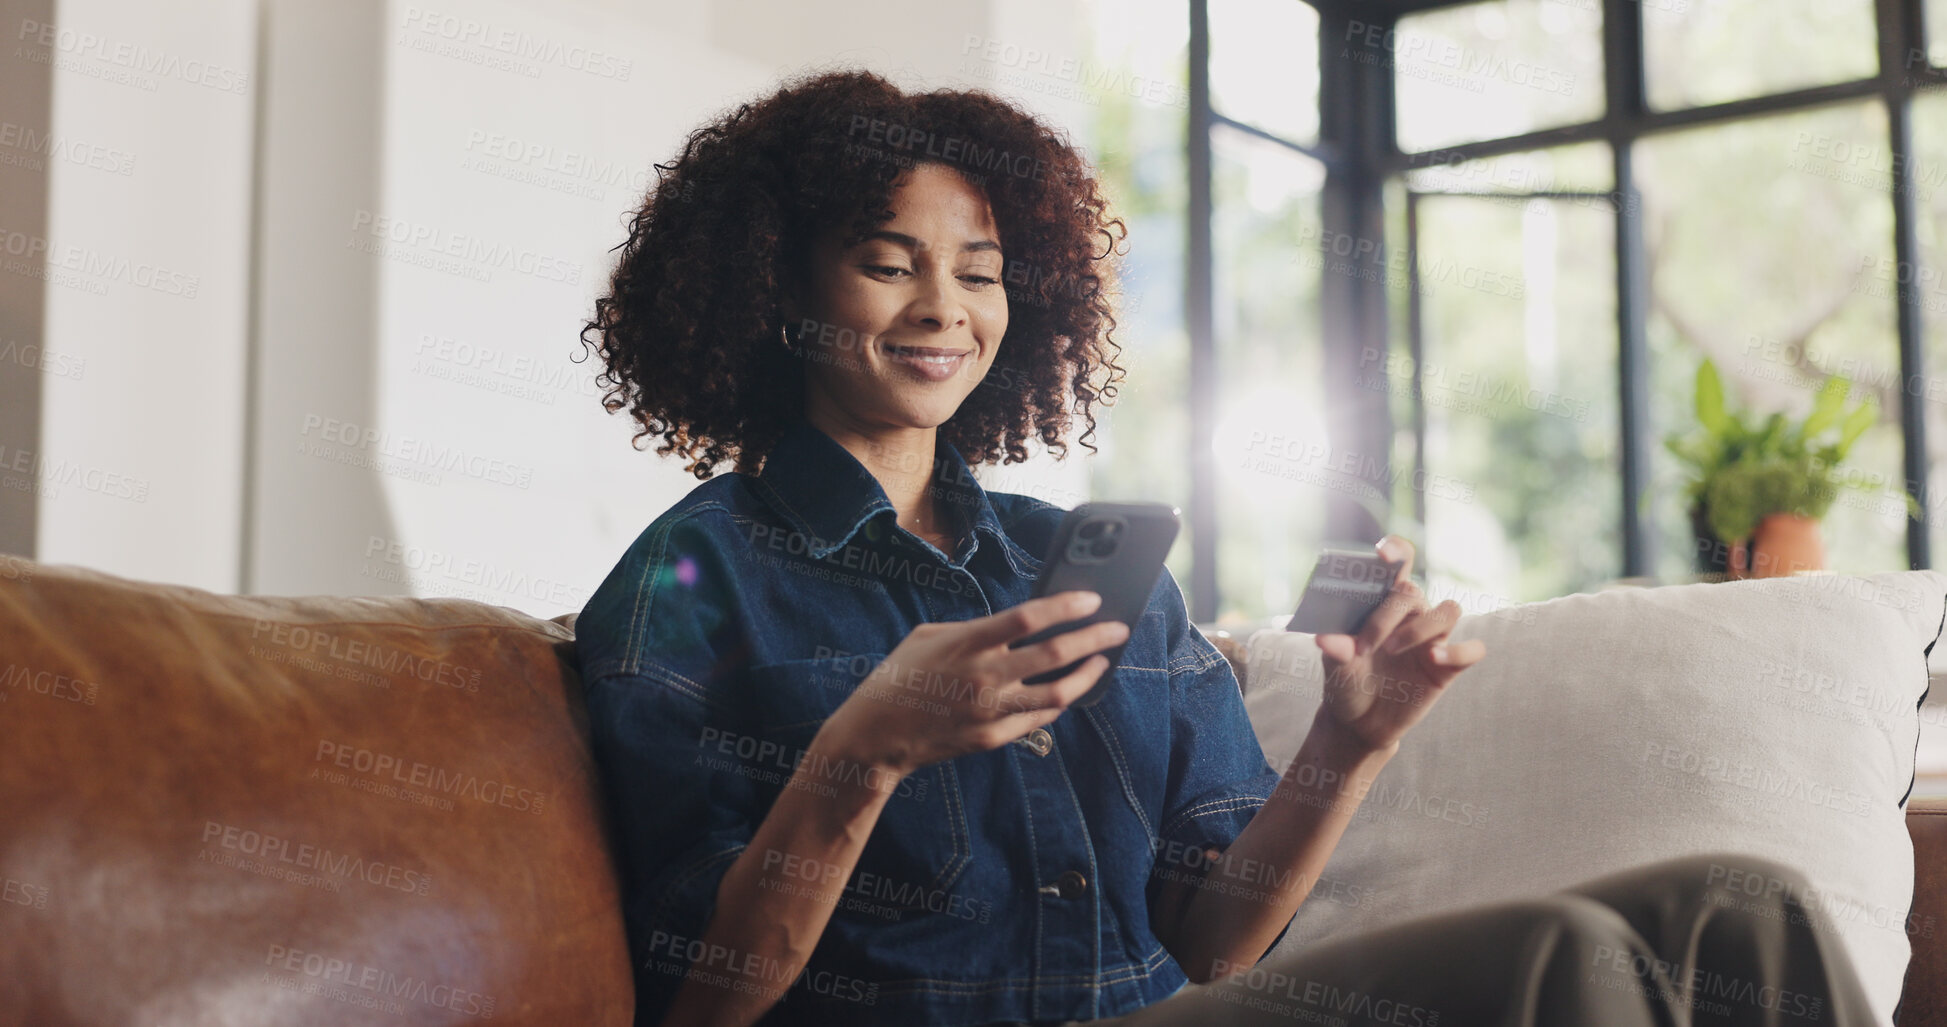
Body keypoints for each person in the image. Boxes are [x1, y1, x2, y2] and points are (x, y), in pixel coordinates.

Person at [574, 69, 1879, 1027]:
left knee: (1740, 909)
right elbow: (702, 1004)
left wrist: (1349, 744)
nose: (943, 308)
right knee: (1559, 961)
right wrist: (867, 749)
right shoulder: (691, 580)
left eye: (978, 271)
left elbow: (1214, 945)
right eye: (886, 263)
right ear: (777, 287)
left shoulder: (1086, 565)